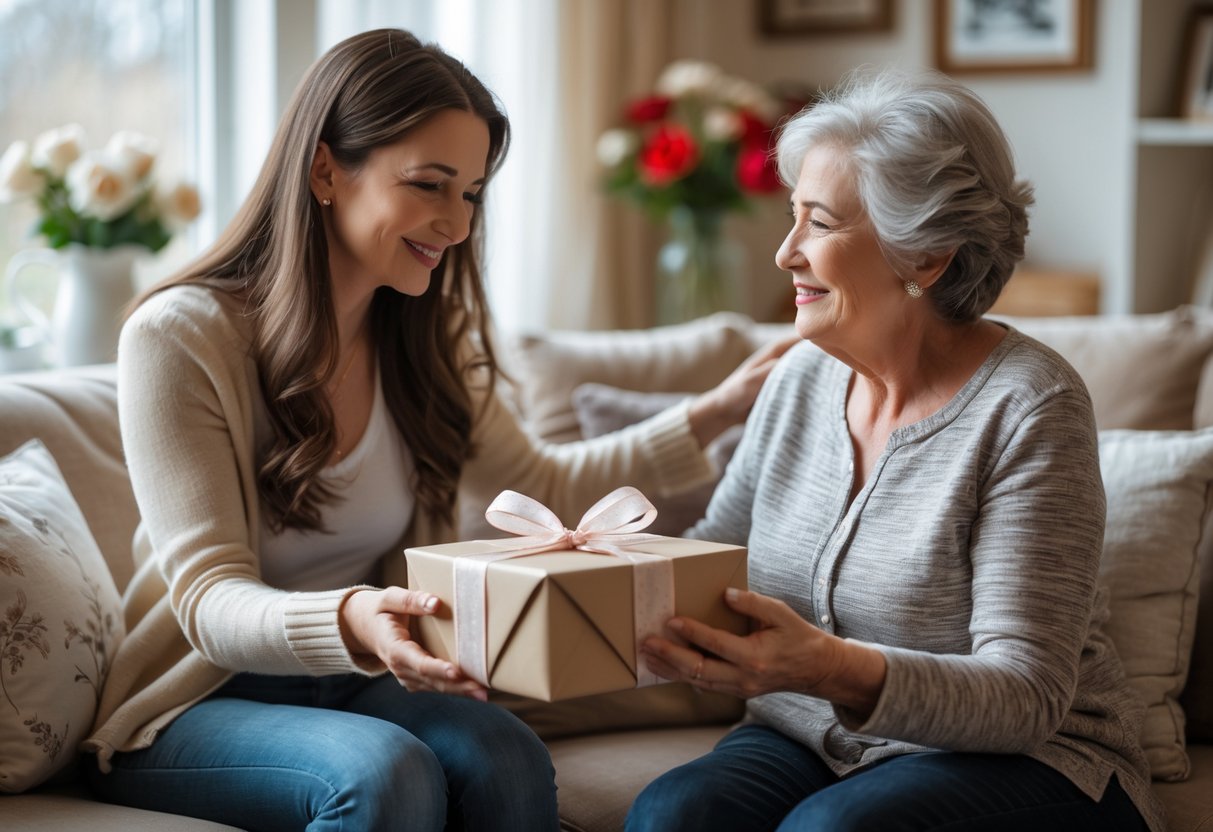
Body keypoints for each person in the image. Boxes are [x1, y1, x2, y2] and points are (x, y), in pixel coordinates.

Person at [81, 28, 787, 831]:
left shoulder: (420, 335)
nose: (455, 225)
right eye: (429, 185)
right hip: (195, 699)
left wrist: (716, 409)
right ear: (323, 170)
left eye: (472, 193)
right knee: (385, 774)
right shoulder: (181, 338)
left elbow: (545, 487)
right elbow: (209, 600)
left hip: (357, 678)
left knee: (506, 751)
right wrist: (353, 617)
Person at [627, 68, 1164, 832]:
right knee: (673, 813)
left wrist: (824, 665)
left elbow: (1025, 698)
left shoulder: (1029, 406)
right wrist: (595, 563)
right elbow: (715, 559)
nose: (785, 253)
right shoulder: (799, 380)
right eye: (792, 216)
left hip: (1030, 761)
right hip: (807, 736)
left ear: (925, 256)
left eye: (818, 223)